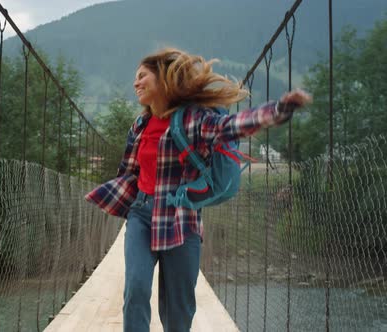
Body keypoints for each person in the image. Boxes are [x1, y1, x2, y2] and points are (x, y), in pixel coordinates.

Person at [85, 48, 312, 332]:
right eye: (135, 78)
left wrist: (278, 110)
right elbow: (130, 171)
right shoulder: (139, 126)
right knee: (136, 289)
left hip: (181, 218)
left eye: (142, 76)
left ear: (164, 80)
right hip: (141, 215)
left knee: (179, 308)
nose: (136, 82)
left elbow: (231, 126)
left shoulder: (191, 120)